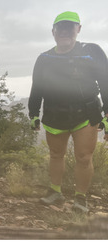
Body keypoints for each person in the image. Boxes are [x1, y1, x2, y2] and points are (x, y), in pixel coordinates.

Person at [28, 11, 108, 213]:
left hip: (86, 114)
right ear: (53, 32)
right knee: (56, 154)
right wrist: (33, 113)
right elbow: (36, 87)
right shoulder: (44, 58)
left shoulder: (92, 51)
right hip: (55, 114)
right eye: (60, 28)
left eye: (70, 27)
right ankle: (55, 191)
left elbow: (106, 82)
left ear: (78, 29)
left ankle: (80, 198)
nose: (65, 32)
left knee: (83, 157)